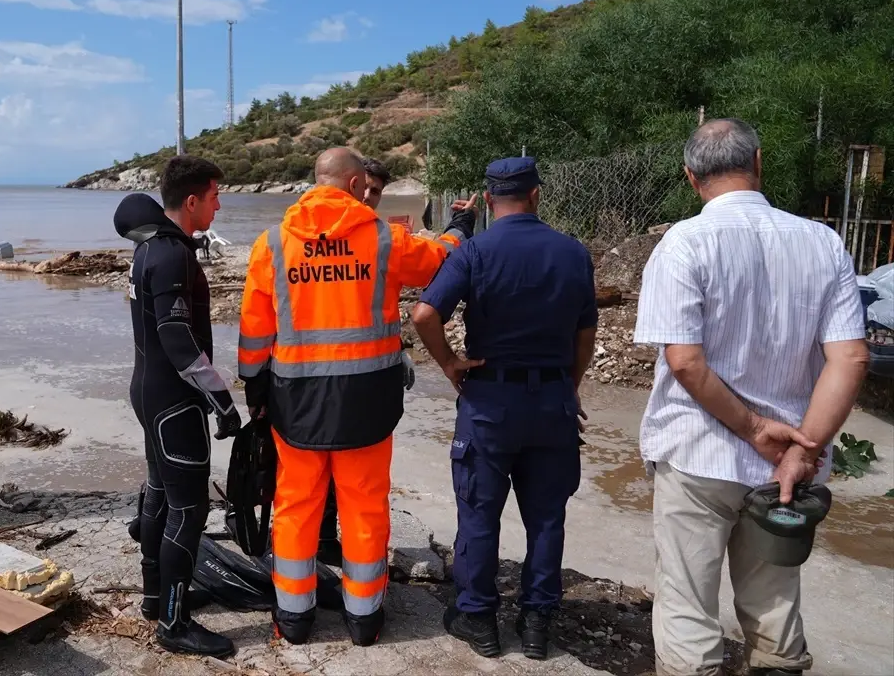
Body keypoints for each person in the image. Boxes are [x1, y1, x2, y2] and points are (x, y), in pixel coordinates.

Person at [633, 119, 869, 676]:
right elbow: (851, 358)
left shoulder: (684, 244)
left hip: (699, 455)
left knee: (688, 602)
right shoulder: (822, 242)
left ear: (691, 178)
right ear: (759, 163)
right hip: (787, 469)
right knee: (775, 600)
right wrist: (802, 450)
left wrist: (756, 430)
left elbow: (685, 362)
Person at [237, 147, 476, 647]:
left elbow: (255, 333)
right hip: (367, 403)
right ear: (353, 186)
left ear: (313, 184)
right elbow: (439, 260)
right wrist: (460, 225)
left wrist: (255, 390)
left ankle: (295, 619)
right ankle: (364, 620)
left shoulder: (273, 244)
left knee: (295, 507)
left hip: (295, 404)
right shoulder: (383, 240)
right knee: (364, 507)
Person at [411, 156, 598, 661]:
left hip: (490, 401)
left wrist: (450, 363)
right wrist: (570, 386)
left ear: (489, 201)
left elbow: (425, 313)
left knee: (479, 511)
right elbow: (585, 336)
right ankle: (537, 625)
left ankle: (480, 621)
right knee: (546, 518)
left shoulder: (475, 250)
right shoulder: (572, 253)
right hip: (553, 403)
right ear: (536, 196)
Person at [112, 155, 243, 659]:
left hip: (150, 393)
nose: (218, 204)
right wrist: (222, 400)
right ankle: (173, 622)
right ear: (191, 201)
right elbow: (178, 340)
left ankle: (155, 599)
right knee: (188, 511)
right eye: (214, 196)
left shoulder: (151, 250)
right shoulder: (171, 255)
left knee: (160, 496)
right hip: (173, 403)